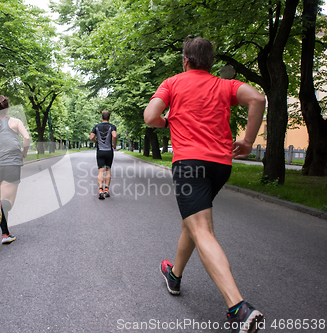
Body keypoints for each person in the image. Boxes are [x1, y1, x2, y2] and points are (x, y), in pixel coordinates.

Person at [144, 36, 266, 332]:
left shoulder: (172, 83)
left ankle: (237, 307)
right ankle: (174, 275)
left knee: (201, 228)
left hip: (189, 165)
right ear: (210, 63)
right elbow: (258, 98)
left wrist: (169, 121)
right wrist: (248, 141)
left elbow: (150, 117)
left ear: (185, 60)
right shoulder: (225, 86)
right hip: (221, 166)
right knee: (192, 222)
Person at [0, 95, 30, 244]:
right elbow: (26, 138)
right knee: (8, 201)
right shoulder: (16, 122)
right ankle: (2, 211)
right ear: (8, 108)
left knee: (1, 197)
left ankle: (5, 234)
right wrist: (24, 153)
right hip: (12, 163)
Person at [90, 110, 117, 200]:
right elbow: (115, 135)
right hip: (109, 151)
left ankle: (100, 190)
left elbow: (91, 137)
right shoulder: (112, 126)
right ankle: (106, 189)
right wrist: (114, 145)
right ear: (109, 117)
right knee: (108, 170)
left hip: (100, 151)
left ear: (102, 117)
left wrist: (96, 142)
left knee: (100, 171)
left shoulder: (96, 126)